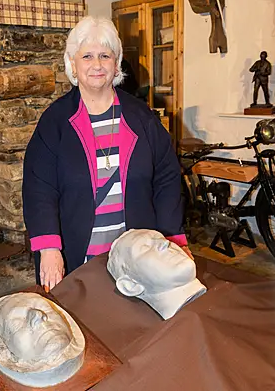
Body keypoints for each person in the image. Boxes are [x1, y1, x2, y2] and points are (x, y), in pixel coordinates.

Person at [22, 16, 191, 291]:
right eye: (87, 56)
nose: (97, 64)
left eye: (105, 55)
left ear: (116, 64)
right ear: (73, 65)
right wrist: (49, 248)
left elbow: (167, 178)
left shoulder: (142, 117)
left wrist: (173, 239)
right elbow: (38, 188)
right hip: (77, 256)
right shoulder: (55, 122)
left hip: (138, 256)